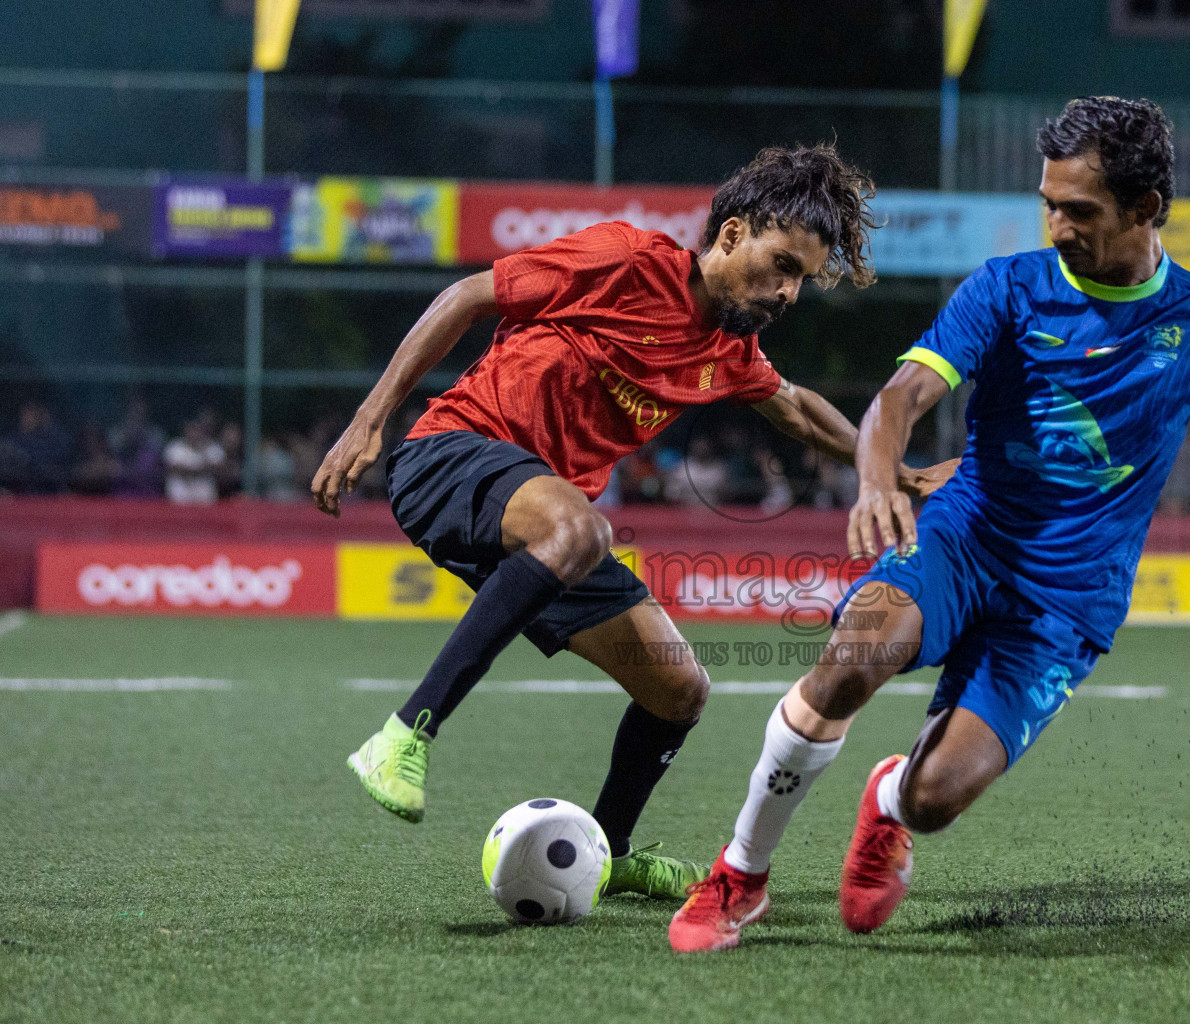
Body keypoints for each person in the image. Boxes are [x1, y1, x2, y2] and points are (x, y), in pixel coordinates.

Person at [669, 98, 1190, 953]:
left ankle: (889, 802)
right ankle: (739, 875)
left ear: (1148, 209)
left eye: (1080, 211)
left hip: (1067, 601)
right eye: (1048, 204)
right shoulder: (1007, 288)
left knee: (935, 801)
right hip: (961, 539)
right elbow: (901, 397)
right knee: (848, 665)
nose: (1057, 225)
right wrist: (877, 479)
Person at [311, 144, 951, 902]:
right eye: (783, 265)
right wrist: (367, 421)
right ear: (733, 233)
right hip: (451, 456)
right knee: (583, 530)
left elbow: (796, 408)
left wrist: (894, 474)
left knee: (678, 688)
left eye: (801, 280)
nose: (788, 292)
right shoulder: (624, 260)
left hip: (548, 528)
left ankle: (608, 854)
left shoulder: (728, 348)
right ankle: (402, 736)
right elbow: (466, 297)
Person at [163, 412, 225, 505]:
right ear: (185, 430)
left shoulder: (213, 448)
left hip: (205, 504)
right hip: (179, 504)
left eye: (196, 429)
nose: (194, 433)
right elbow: (173, 468)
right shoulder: (175, 447)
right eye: (191, 429)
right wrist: (202, 469)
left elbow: (218, 470)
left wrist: (188, 470)